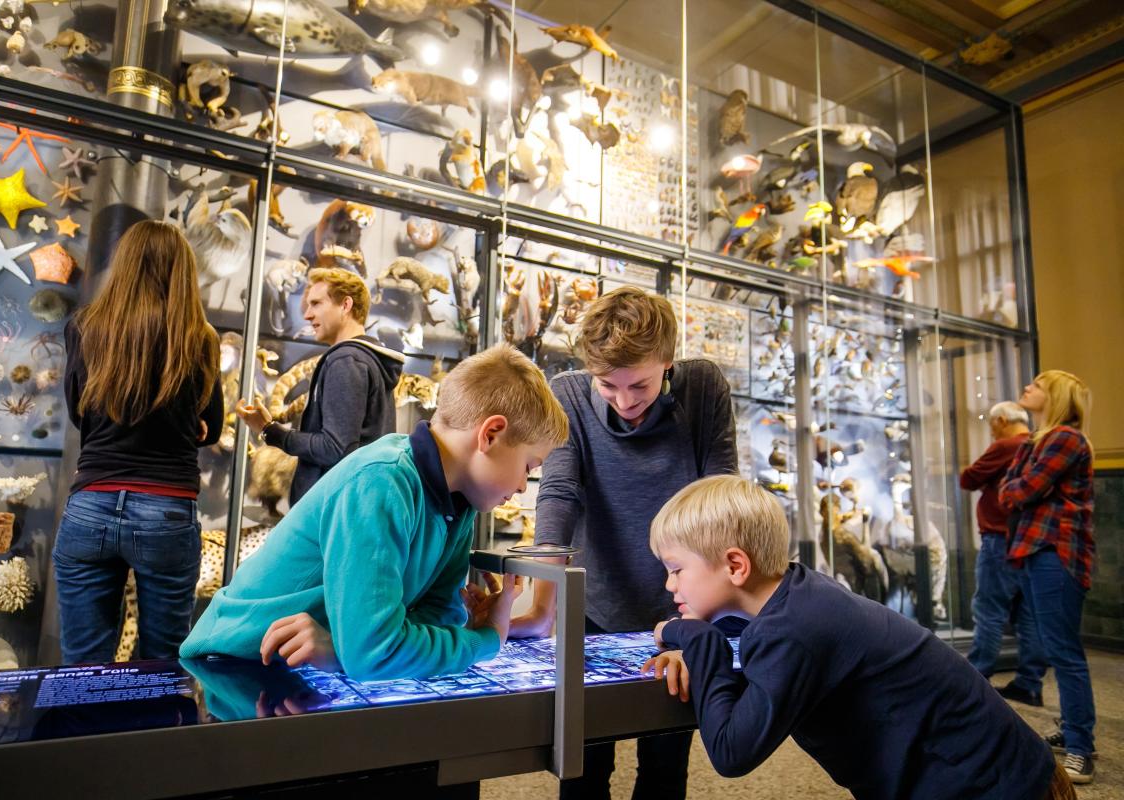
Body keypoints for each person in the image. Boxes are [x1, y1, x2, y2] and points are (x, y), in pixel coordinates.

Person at [645, 475, 1073, 800]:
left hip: (1000, 787)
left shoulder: (794, 631)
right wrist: (690, 631)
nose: (669, 585)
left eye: (676, 569)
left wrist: (700, 641)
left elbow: (730, 752)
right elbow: (747, 636)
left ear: (736, 566)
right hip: (997, 772)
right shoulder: (799, 594)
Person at [180, 343, 569, 683]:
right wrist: (488, 638)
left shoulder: (459, 503)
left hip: (299, 669)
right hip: (234, 665)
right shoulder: (382, 481)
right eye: (529, 466)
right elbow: (376, 652)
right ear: (490, 434)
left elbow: (436, 618)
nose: (522, 486)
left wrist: (345, 649)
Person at [510, 286, 737, 800]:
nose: (625, 401)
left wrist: (697, 633)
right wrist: (544, 604)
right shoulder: (567, 393)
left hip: (681, 603)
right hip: (594, 604)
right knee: (583, 766)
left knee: (664, 768)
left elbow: (719, 503)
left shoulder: (703, 388)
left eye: (640, 385)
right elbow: (559, 494)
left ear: (667, 361)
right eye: (608, 386)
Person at [57, 220, 224, 664]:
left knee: (82, 667)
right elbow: (213, 425)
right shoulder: (200, 338)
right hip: (166, 509)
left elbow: (80, 412)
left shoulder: (85, 326)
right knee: (162, 662)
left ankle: (86, 735)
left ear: (123, 265)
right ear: (183, 272)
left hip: (91, 502)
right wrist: (185, 425)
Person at [236, 267, 404, 506]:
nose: (307, 315)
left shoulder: (346, 360)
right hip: (351, 507)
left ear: (346, 305)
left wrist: (271, 431)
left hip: (333, 511)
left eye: (316, 304)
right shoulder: (365, 360)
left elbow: (335, 447)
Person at [1002, 370, 1096, 785]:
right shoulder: (1035, 441)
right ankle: (1073, 727)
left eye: (1037, 385)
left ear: (1054, 396)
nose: (1028, 387)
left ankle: (1080, 746)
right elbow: (1010, 490)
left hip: (1054, 554)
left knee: (1064, 653)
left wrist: (1016, 486)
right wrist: (1015, 486)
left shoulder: (1064, 440)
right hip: (1036, 552)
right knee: (1054, 648)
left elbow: (1019, 492)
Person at [961, 400, 1045, 703]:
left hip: (999, 538)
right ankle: (1030, 682)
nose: (990, 429)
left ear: (1000, 421)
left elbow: (968, 478)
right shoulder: (1039, 445)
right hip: (1030, 540)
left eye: (991, 423)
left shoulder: (1006, 446)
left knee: (989, 610)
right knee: (1028, 615)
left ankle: (975, 677)